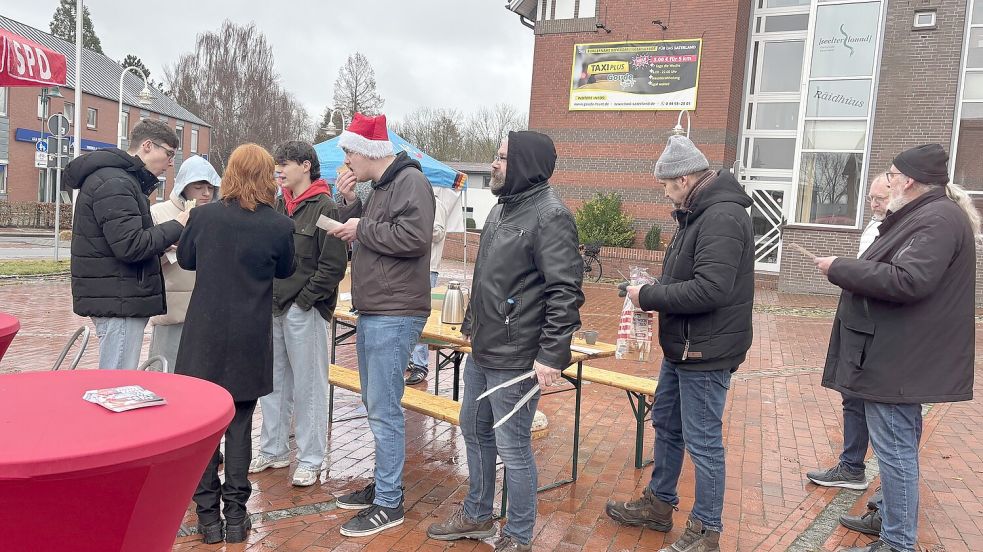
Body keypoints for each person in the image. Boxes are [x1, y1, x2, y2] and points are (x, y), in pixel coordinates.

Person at [426, 131, 585, 552]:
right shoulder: (502, 210)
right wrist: (471, 326)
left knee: (513, 446)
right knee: (473, 428)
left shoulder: (551, 216)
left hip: (518, 357)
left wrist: (553, 354)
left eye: (501, 158)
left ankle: (518, 537)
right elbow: (490, 280)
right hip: (484, 347)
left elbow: (565, 292)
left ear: (525, 164)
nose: (494, 165)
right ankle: (477, 515)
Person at [813, 144, 977, 552]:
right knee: (897, 448)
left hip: (901, 360)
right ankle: (888, 516)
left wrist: (840, 268)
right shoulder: (927, 215)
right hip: (901, 354)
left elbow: (909, 280)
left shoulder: (936, 218)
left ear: (907, 180)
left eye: (890, 174)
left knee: (896, 451)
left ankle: (897, 541)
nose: (886, 181)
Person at [605, 135, 754, 552]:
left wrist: (648, 297)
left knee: (704, 440)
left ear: (685, 179)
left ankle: (707, 529)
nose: (665, 193)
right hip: (684, 346)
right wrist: (649, 286)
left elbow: (710, 289)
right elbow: (687, 276)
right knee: (667, 424)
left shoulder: (721, 216)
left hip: (706, 350)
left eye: (667, 185)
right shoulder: (696, 214)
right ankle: (659, 504)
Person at [174, 144, 295, 545]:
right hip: (249, 337)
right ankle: (237, 516)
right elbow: (286, 268)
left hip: (203, 336)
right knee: (240, 425)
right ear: (267, 179)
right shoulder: (278, 225)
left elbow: (188, 260)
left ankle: (208, 518)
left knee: (205, 429)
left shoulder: (204, 217)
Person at [327, 113, 435, 537]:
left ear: (369, 151)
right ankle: (384, 487)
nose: (346, 159)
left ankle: (389, 503)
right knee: (376, 405)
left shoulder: (411, 182)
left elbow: (414, 238)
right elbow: (375, 233)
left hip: (396, 310)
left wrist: (361, 225)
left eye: (349, 151)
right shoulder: (383, 186)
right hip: (378, 308)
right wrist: (352, 207)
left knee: (385, 408)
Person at [250, 141, 348, 487]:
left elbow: (333, 265)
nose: (279, 169)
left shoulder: (325, 207)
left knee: (309, 387)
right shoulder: (279, 206)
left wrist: (305, 301)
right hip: (274, 308)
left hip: (304, 310)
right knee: (273, 384)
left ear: (306, 165)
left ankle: (310, 458)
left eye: (285, 163)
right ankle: (273, 450)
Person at [65, 119, 188, 369]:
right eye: (169, 153)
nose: (171, 162)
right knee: (117, 384)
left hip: (118, 295)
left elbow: (121, 240)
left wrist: (163, 243)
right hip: (118, 300)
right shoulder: (115, 182)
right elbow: (130, 245)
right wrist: (178, 225)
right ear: (147, 145)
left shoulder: (118, 180)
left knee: (117, 379)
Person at [805, 175, 890, 535]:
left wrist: (841, 269)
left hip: (881, 330)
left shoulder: (906, 229)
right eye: (870, 197)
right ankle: (852, 466)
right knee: (850, 395)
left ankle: (889, 503)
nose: (874, 203)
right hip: (857, 321)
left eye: (880, 197)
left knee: (889, 417)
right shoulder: (874, 226)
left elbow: (887, 278)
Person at [147, 155, 221, 371]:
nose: (206, 193)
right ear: (184, 188)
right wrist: (169, 248)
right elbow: (146, 256)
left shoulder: (217, 216)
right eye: (198, 187)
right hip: (172, 309)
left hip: (208, 310)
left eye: (210, 187)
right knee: (167, 372)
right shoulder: (158, 213)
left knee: (203, 376)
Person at [405, 194, 447, 385]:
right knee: (406, 313)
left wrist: (412, 229)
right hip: (409, 266)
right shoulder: (413, 201)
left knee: (419, 316)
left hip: (428, 267)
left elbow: (438, 232)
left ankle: (421, 364)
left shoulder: (435, 203)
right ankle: (411, 360)